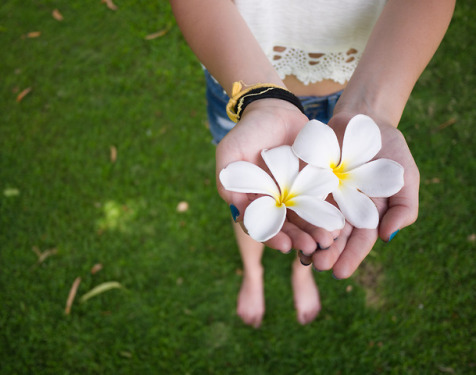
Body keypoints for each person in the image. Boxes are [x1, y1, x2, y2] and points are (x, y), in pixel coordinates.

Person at [170, 0, 455, 327]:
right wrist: (260, 100)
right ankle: (253, 270)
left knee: (317, 230)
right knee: (249, 199)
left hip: (354, 83)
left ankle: (301, 270)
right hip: (239, 79)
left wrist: (374, 108)